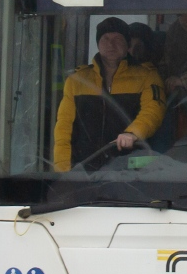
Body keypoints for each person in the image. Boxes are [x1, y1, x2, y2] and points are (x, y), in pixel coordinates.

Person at [53, 16, 166, 172]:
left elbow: (153, 111)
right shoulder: (77, 81)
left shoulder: (147, 76)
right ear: (98, 44)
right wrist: (63, 172)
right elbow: (63, 130)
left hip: (130, 172)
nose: (111, 44)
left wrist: (132, 134)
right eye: (105, 38)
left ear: (128, 45)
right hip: (84, 173)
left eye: (117, 39)